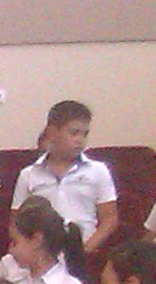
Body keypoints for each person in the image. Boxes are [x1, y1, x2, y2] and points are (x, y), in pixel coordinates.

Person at [12, 101, 121, 253]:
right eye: (74, 133)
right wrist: (29, 250)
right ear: (52, 132)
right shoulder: (29, 174)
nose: (80, 140)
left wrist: (87, 249)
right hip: (40, 253)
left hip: (82, 249)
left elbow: (109, 219)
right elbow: (15, 223)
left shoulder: (98, 171)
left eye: (84, 134)